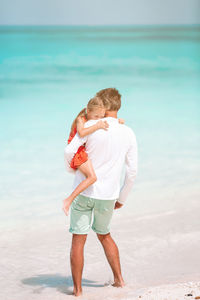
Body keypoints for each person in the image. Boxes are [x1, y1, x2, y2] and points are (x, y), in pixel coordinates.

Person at [64, 88, 138, 297]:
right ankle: (119, 281)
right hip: (109, 195)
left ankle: (78, 291)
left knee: (78, 239)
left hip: (85, 193)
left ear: (103, 106)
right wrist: (122, 199)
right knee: (105, 235)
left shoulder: (90, 126)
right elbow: (132, 172)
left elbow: (70, 151)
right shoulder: (128, 132)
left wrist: (72, 168)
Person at [63, 96, 109, 216]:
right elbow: (82, 132)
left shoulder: (89, 118)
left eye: (101, 117)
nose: (98, 119)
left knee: (91, 177)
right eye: (96, 117)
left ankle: (72, 199)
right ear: (88, 111)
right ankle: (68, 200)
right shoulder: (80, 119)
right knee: (92, 177)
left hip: (82, 151)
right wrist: (97, 126)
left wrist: (119, 121)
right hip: (77, 152)